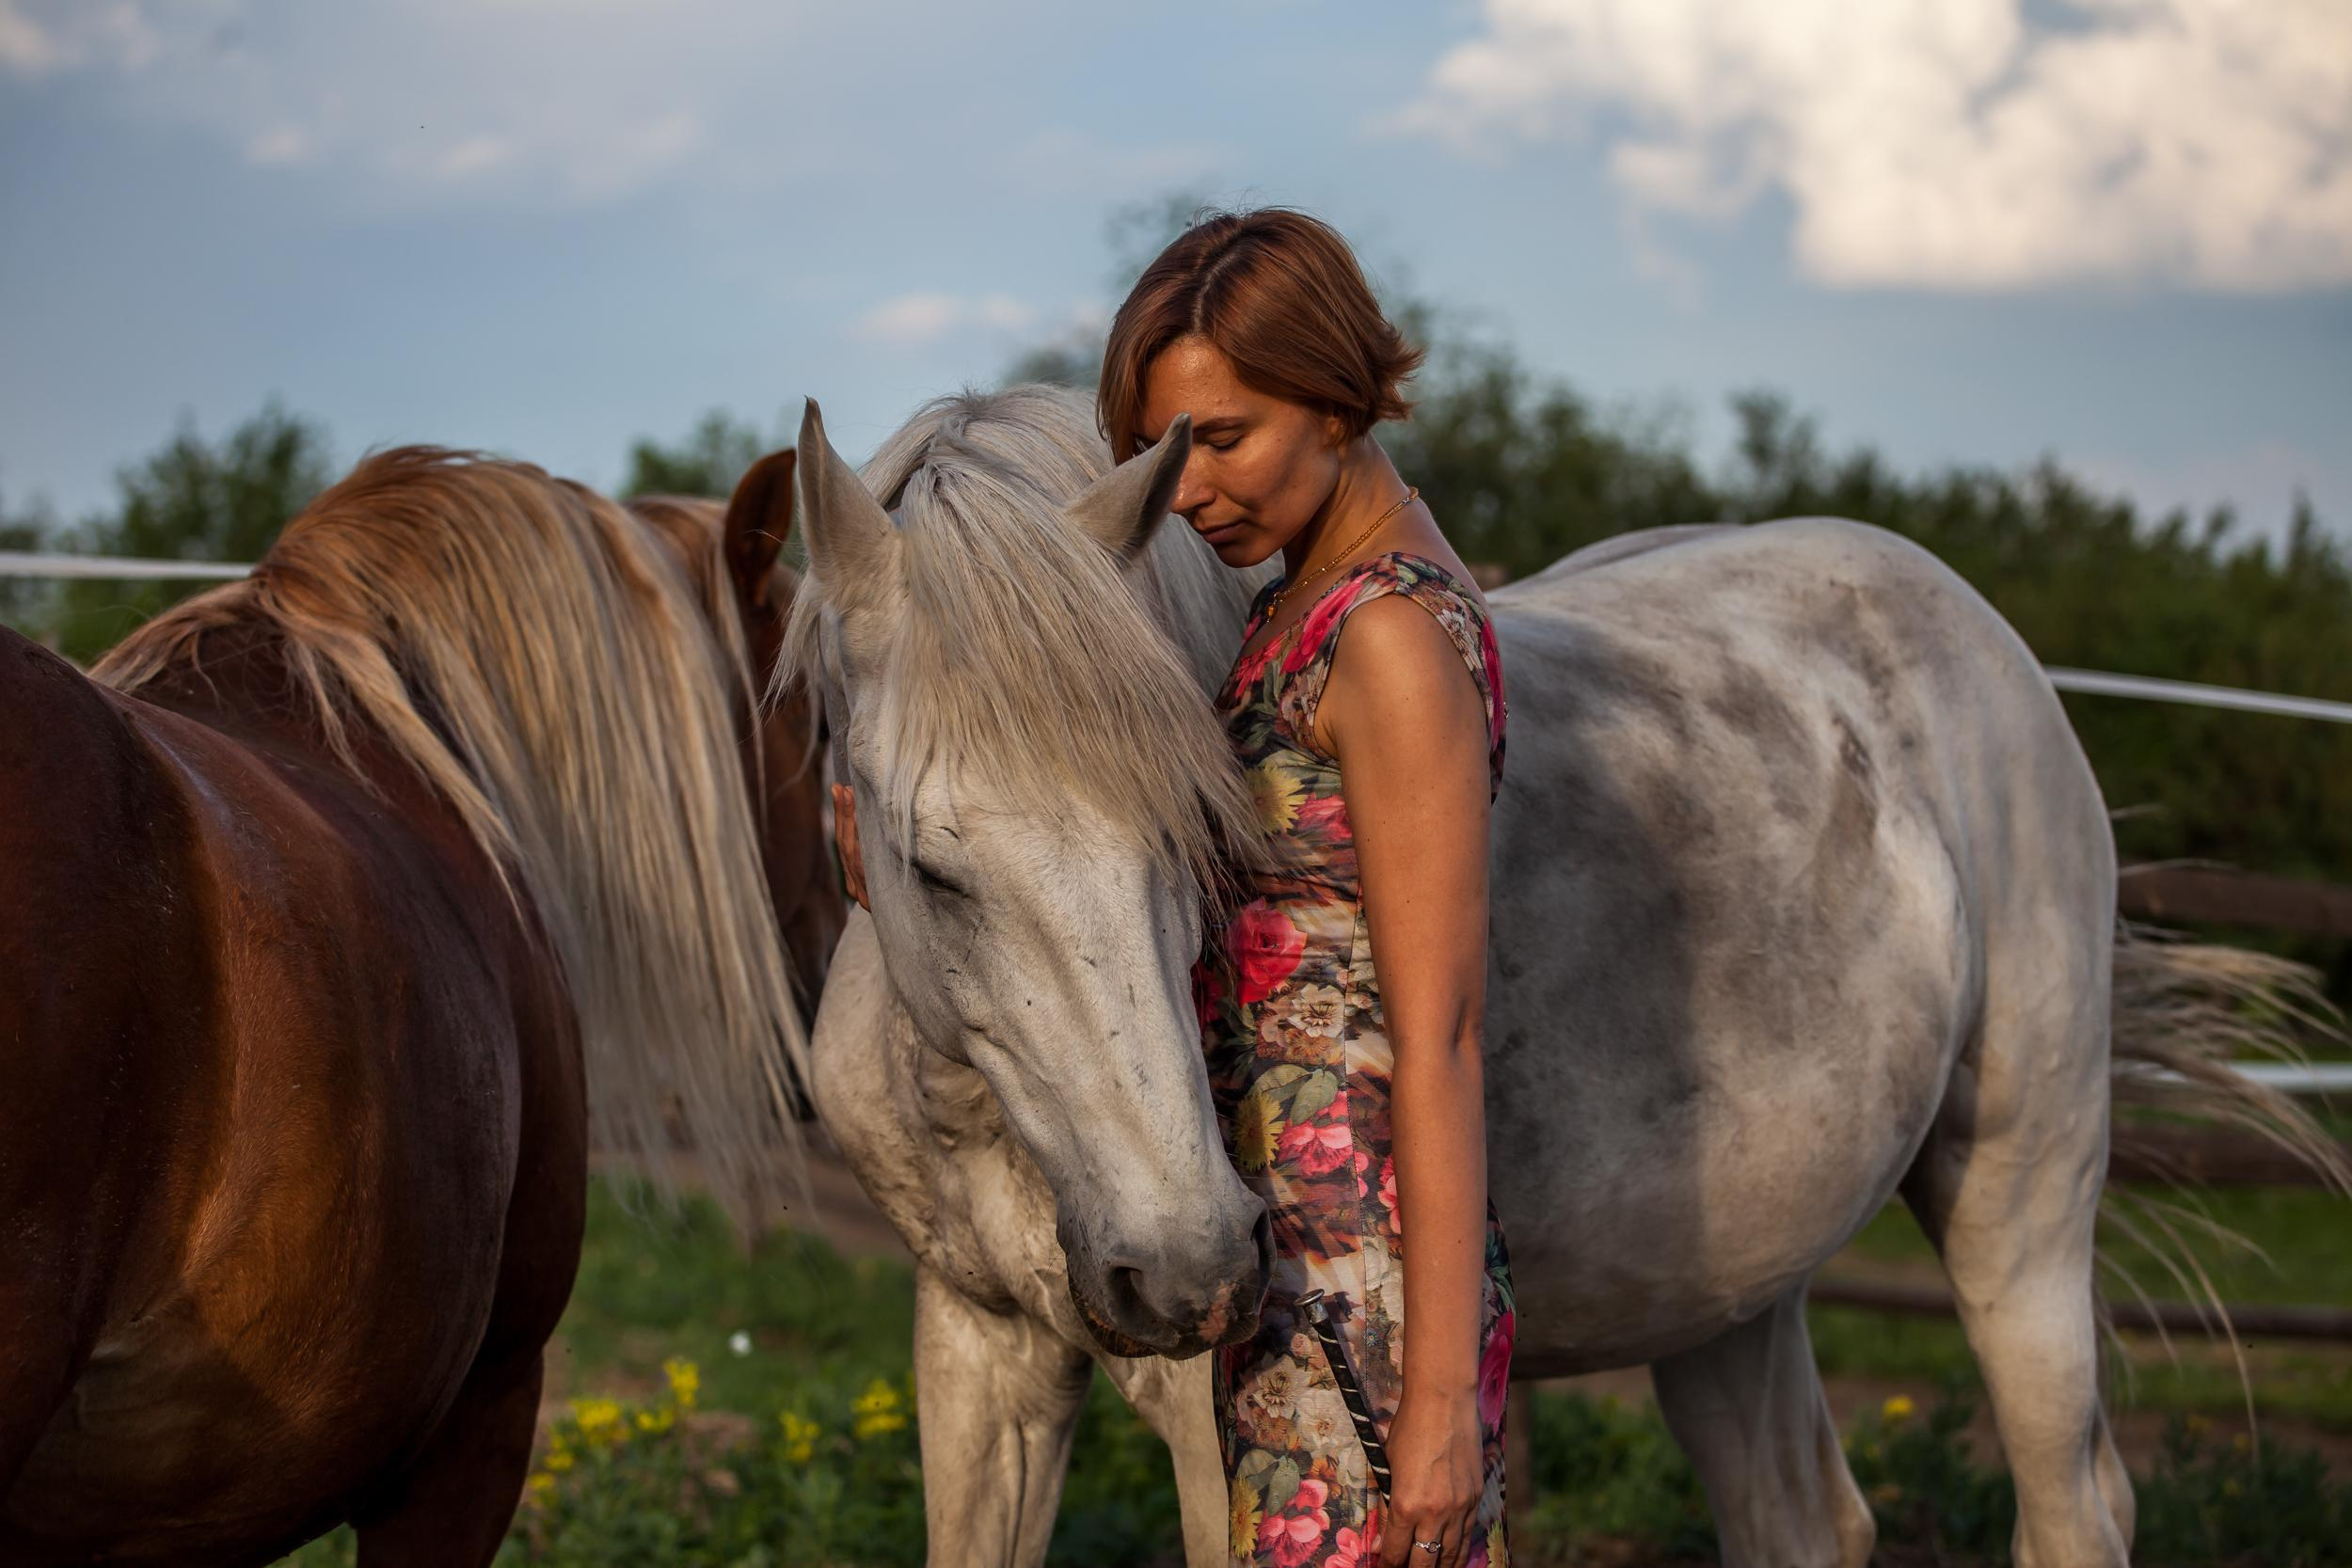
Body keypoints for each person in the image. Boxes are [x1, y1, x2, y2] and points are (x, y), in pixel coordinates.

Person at [1100, 209, 1514, 1568]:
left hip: (1370, 1302)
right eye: (1167, 452)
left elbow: (1441, 1038)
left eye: (1226, 437)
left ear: (1337, 397)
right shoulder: (1299, 606)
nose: (1193, 488)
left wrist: (1441, 1408)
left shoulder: (1386, 636)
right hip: (1293, 1270)